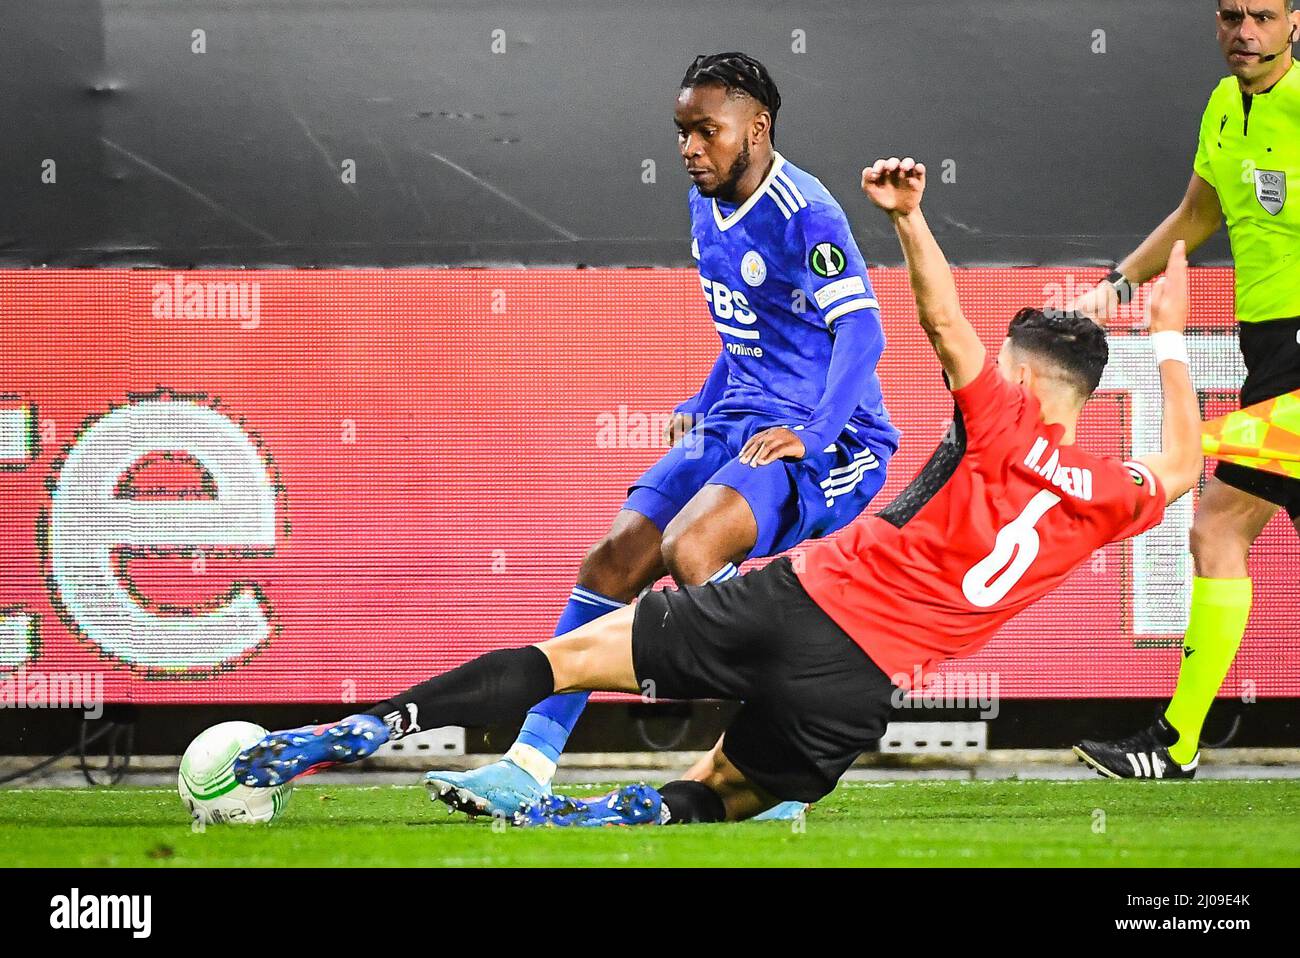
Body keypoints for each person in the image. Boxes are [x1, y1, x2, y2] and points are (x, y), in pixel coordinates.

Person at [235, 157, 1202, 826]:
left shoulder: (1000, 421)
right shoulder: (1111, 494)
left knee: (574, 652)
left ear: (1025, 379)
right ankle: (582, 802)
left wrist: (909, 218)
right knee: (713, 791)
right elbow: (1186, 466)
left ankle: (349, 733)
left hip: (805, 602)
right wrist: (1169, 343)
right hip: (858, 693)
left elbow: (941, 324)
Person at [428, 52, 898, 818]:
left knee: (692, 550)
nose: (688, 149)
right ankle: (527, 763)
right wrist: (703, 396)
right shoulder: (704, 202)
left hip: (835, 440)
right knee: (613, 561)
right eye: (681, 132)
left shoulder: (805, 212)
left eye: (705, 131)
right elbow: (751, 328)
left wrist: (815, 435)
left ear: (757, 125)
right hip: (739, 415)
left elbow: (864, 335)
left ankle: (780, 754)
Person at [1071, 0, 1300, 779]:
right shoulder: (1223, 106)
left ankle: (1177, 741)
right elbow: (1198, 212)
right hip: (1270, 351)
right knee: (1219, 535)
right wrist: (1117, 284)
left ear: (1295, 23)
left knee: (1218, 530)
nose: (1246, 31)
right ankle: (1179, 741)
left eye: (1264, 16)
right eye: (1232, 15)